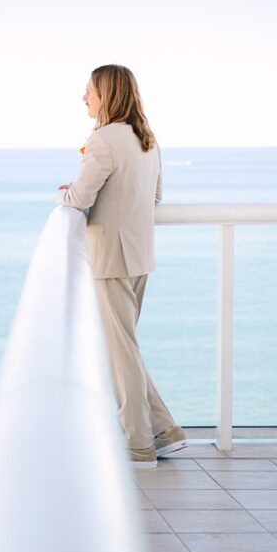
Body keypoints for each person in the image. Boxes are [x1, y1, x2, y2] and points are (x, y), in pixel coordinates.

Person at [56, 65, 187, 469]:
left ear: (107, 94)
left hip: (110, 257)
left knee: (121, 350)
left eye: (89, 90)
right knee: (125, 347)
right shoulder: (146, 138)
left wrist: (67, 194)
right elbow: (157, 195)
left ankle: (139, 444)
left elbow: (80, 198)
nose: (84, 98)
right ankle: (164, 431)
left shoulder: (103, 140)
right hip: (139, 254)